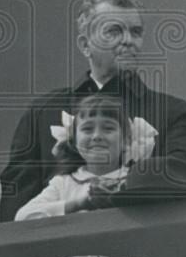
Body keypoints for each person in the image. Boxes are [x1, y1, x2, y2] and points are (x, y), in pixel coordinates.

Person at [0, 0, 186, 221]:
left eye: (136, 32)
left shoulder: (173, 112)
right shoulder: (44, 112)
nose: (128, 40)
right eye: (114, 31)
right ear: (85, 45)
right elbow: (14, 202)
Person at [15, 94, 146, 220]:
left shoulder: (135, 180)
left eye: (108, 128)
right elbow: (23, 217)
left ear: (127, 140)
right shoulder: (64, 183)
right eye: (88, 129)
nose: (97, 136)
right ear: (74, 141)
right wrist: (78, 204)